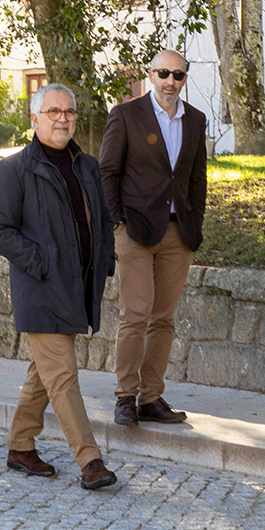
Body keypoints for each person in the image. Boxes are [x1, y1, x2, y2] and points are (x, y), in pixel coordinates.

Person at [0, 83, 119, 490]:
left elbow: (102, 218)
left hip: (78, 286)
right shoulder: (14, 170)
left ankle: (20, 446)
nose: (63, 118)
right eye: (54, 111)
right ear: (35, 118)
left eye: (69, 112)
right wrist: (40, 261)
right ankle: (90, 461)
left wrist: (106, 258)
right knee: (62, 375)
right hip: (41, 289)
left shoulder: (87, 166)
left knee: (44, 374)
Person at [98, 49, 207, 427]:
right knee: (135, 314)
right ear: (150, 75)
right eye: (163, 73)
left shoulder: (195, 120)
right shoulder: (127, 115)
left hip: (179, 234)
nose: (170, 82)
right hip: (136, 232)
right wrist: (117, 223)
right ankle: (126, 397)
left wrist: (197, 222)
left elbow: (197, 179)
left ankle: (151, 398)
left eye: (178, 75)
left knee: (163, 319)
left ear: (184, 79)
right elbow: (107, 172)